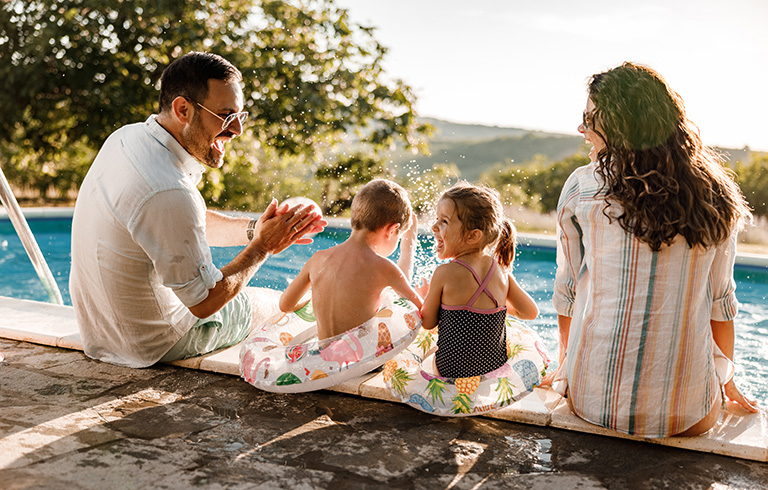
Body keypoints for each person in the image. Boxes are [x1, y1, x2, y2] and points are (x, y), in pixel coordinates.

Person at [70, 52, 326, 368]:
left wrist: (254, 229)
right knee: (278, 305)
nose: (237, 131)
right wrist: (263, 247)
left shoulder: (127, 139)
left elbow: (183, 223)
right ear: (183, 109)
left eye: (240, 116)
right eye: (226, 115)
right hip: (154, 343)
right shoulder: (168, 189)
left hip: (102, 335)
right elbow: (205, 303)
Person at [548, 62, 759, 438]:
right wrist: (726, 379)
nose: (581, 129)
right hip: (689, 418)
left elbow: (567, 294)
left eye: (589, 118)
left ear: (617, 126)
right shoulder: (717, 195)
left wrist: (564, 367)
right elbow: (721, 302)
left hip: (592, 403)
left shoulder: (582, 187)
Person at [279, 179, 423, 341]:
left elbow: (285, 305)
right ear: (392, 230)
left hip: (322, 362)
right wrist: (408, 247)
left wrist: (316, 303)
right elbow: (416, 308)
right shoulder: (383, 268)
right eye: (400, 237)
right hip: (361, 365)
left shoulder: (318, 259)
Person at [420, 182, 539, 378]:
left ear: (473, 236)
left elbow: (428, 323)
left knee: (425, 350)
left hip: (450, 371)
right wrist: (496, 306)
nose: (434, 227)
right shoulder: (502, 272)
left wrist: (427, 297)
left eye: (444, 222)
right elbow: (530, 312)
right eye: (437, 219)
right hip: (492, 370)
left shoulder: (444, 273)